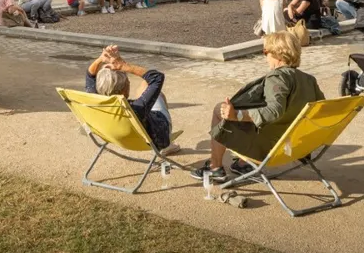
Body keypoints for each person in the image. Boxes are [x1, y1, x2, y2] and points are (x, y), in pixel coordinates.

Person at [191, 31, 324, 183]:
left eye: (265, 52)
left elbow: (274, 111)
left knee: (219, 109)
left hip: (270, 145)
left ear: (277, 54)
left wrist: (237, 115)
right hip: (296, 144)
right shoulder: (309, 80)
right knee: (260, 117)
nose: (265, 56)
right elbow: (320, 109)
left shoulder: (277, 78)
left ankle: (215, 167)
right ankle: (242, 164)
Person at [86, 45, 175, 155]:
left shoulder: (94, 99)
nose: (129, 83)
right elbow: (157, 77)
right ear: (123, 91)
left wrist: (101, 59)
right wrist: (124, 66)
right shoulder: (137, 108)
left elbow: (90, 75)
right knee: (157, 94)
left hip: (113, 135)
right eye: (127, 82)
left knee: (145, 85)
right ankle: (166, 147)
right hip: (154, 138)